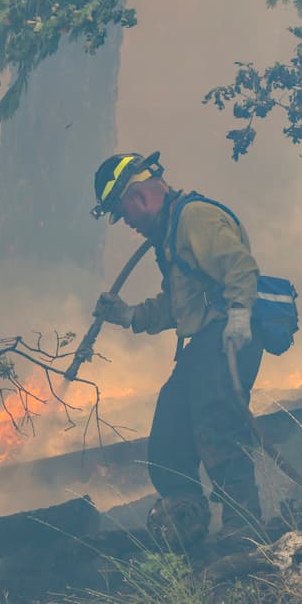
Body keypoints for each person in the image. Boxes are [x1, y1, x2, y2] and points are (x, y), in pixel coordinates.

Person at [89, 151, 263, 543]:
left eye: (124, 213)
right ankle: (187, 522)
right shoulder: (169, 234)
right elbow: (178, 301)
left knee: (219, 429)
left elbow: (240, 268)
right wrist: (132, 315)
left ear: (138, 198)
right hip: (202, 345)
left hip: (225, 340)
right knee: (169, 435)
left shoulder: (194, 218)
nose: (129, 225)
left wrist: (239, 316)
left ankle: (245, 529)